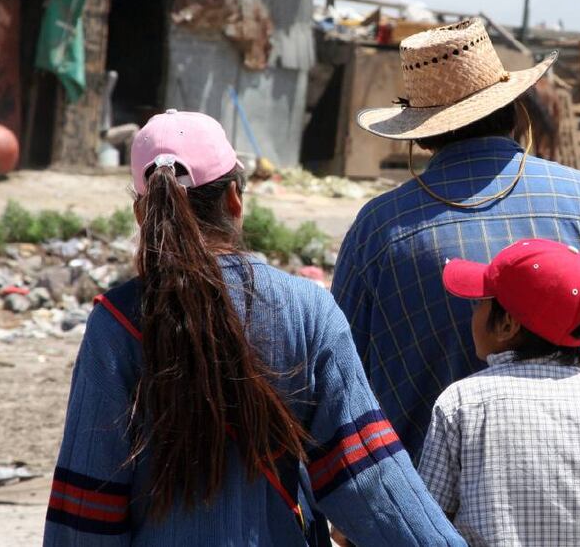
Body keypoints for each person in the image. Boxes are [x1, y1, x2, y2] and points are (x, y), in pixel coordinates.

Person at [333, 18, 580, 545]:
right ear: (515, 111)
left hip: (429, 522)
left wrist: (352, 512)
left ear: (422, 133)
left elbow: (339, 380)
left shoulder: (384, 227)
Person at [44, 110, 463, 546]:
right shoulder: (309, 309)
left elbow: (88, 502)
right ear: (234, 200)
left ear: (140, 212)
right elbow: (369, 475)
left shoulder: (116, 323)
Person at [418, 239, 580, 546]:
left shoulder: (460, 403)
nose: (475, 314)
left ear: (507, 324)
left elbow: (431, 518)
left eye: (481, 303)